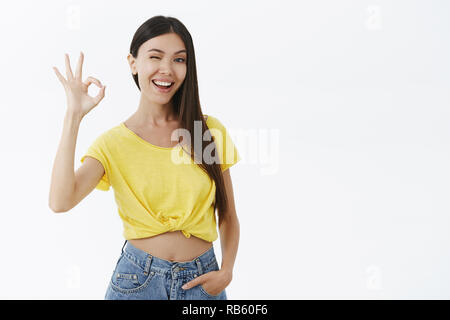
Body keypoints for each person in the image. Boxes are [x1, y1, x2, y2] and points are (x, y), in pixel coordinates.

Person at [49, 15, 241, 300]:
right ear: (133, 63)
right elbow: (60, 201)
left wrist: (227, 270)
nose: (167, 69)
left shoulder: (207, 132)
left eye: (179, 60)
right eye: (155, 56)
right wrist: (73, 116)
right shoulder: (113, 144)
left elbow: (227, 214)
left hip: (203, 281)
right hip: (137, 281)